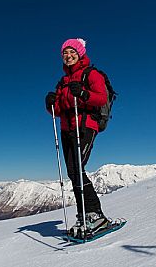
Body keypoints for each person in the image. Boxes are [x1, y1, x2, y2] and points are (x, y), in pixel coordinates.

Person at [45, 38, 109, 234]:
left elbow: (101, 97)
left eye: (72, 52)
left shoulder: (91, 74)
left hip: (85, 126)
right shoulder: (63, 82)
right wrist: (50, 104)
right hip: (66, 129)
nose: (68, 56)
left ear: (80, 53)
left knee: (78, 169)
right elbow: (57, 110)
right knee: (73, 172)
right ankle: (84, 214)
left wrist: (83, 93)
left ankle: (96, 214)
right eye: (65, 53)